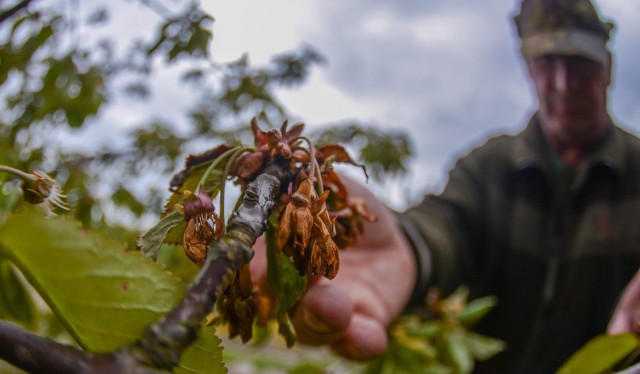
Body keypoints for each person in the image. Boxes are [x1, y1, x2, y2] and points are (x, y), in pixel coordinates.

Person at [251, 0, 640, 372]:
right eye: (547, 65)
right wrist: (407, 249)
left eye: (579, 65)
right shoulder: (489, 166)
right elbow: (446, 226)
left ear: (607, 68)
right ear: (529, 72)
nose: (563, 83)